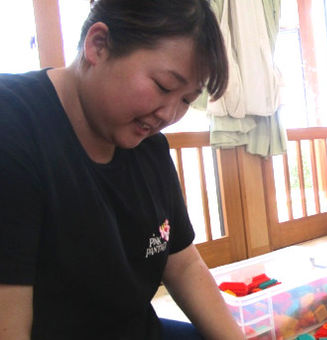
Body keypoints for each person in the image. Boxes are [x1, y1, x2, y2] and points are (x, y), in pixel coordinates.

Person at [0, 0, 244, 339]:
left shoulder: (148, 147)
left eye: (187, 99)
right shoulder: (12, 127)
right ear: (98, 45)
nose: (169, 114)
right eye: (163, 86)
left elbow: (183, 263)